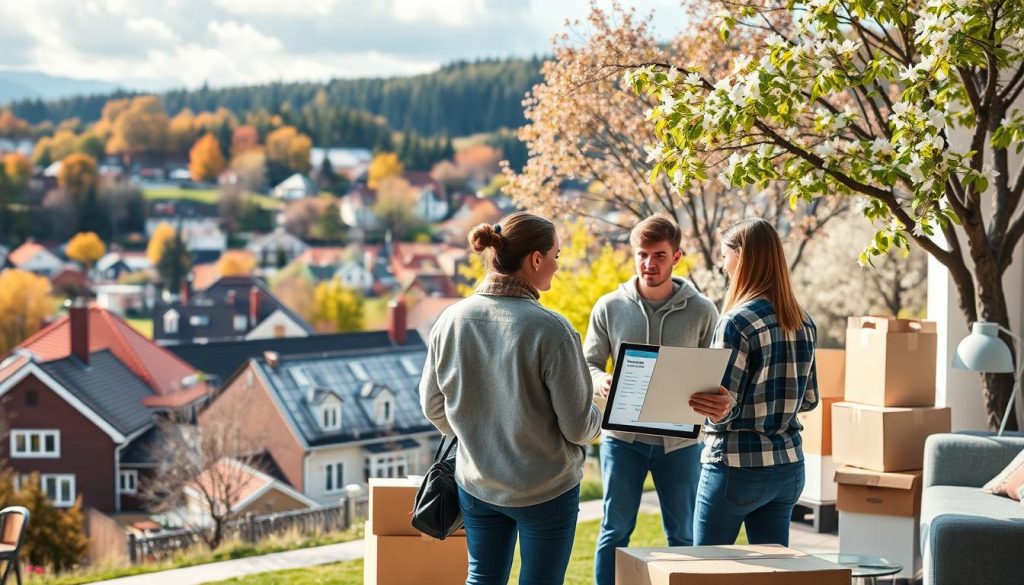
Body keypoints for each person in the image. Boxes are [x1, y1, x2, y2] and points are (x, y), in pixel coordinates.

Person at [419, 211, 603, 585]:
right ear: (535, 259)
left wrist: (475, 438)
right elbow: (580, 428)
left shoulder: (450, 320)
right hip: (546, 490)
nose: (557, 263)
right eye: (556, 254)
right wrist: (603, 407)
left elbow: (432, 406)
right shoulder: (552, 329)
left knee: (482, 578)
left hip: (477, 484)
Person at [584, 215, 719, 585]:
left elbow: (716, 372)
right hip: (622, 442)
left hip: (679, 444)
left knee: (682, 536)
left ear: (677, 256)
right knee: (614, 533)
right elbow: (589, 363)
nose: (649, 264)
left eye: (659, 255)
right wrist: (602, 381)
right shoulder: (609, 307)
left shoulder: (703, 310)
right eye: (642, 255)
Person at [688, 217, 818, 546]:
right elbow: (809, 400)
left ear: (741, 257)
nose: (722, 265)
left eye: (724, 256)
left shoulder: (735, 322)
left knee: (706, 572)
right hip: (788, 467)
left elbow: (722, 408)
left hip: (735, 467)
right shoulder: (804, 321)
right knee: (771, 574)